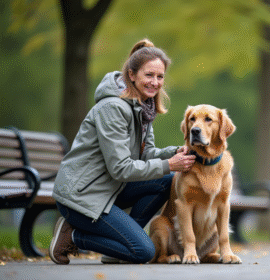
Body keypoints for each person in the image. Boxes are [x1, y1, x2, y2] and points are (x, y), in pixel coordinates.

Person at [49, 39, 196, 265]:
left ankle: (121, 246)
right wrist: (170, 163)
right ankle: (74, 236)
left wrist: (174, 152)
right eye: (149, 75)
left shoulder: (143, 107)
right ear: (132, 75)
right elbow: (120, 168)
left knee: (167, 179)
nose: (155, 82)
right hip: (81, 197)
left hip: (107, 189)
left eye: (160, 77)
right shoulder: (113, 108)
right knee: (143, 252)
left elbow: (146, 155)